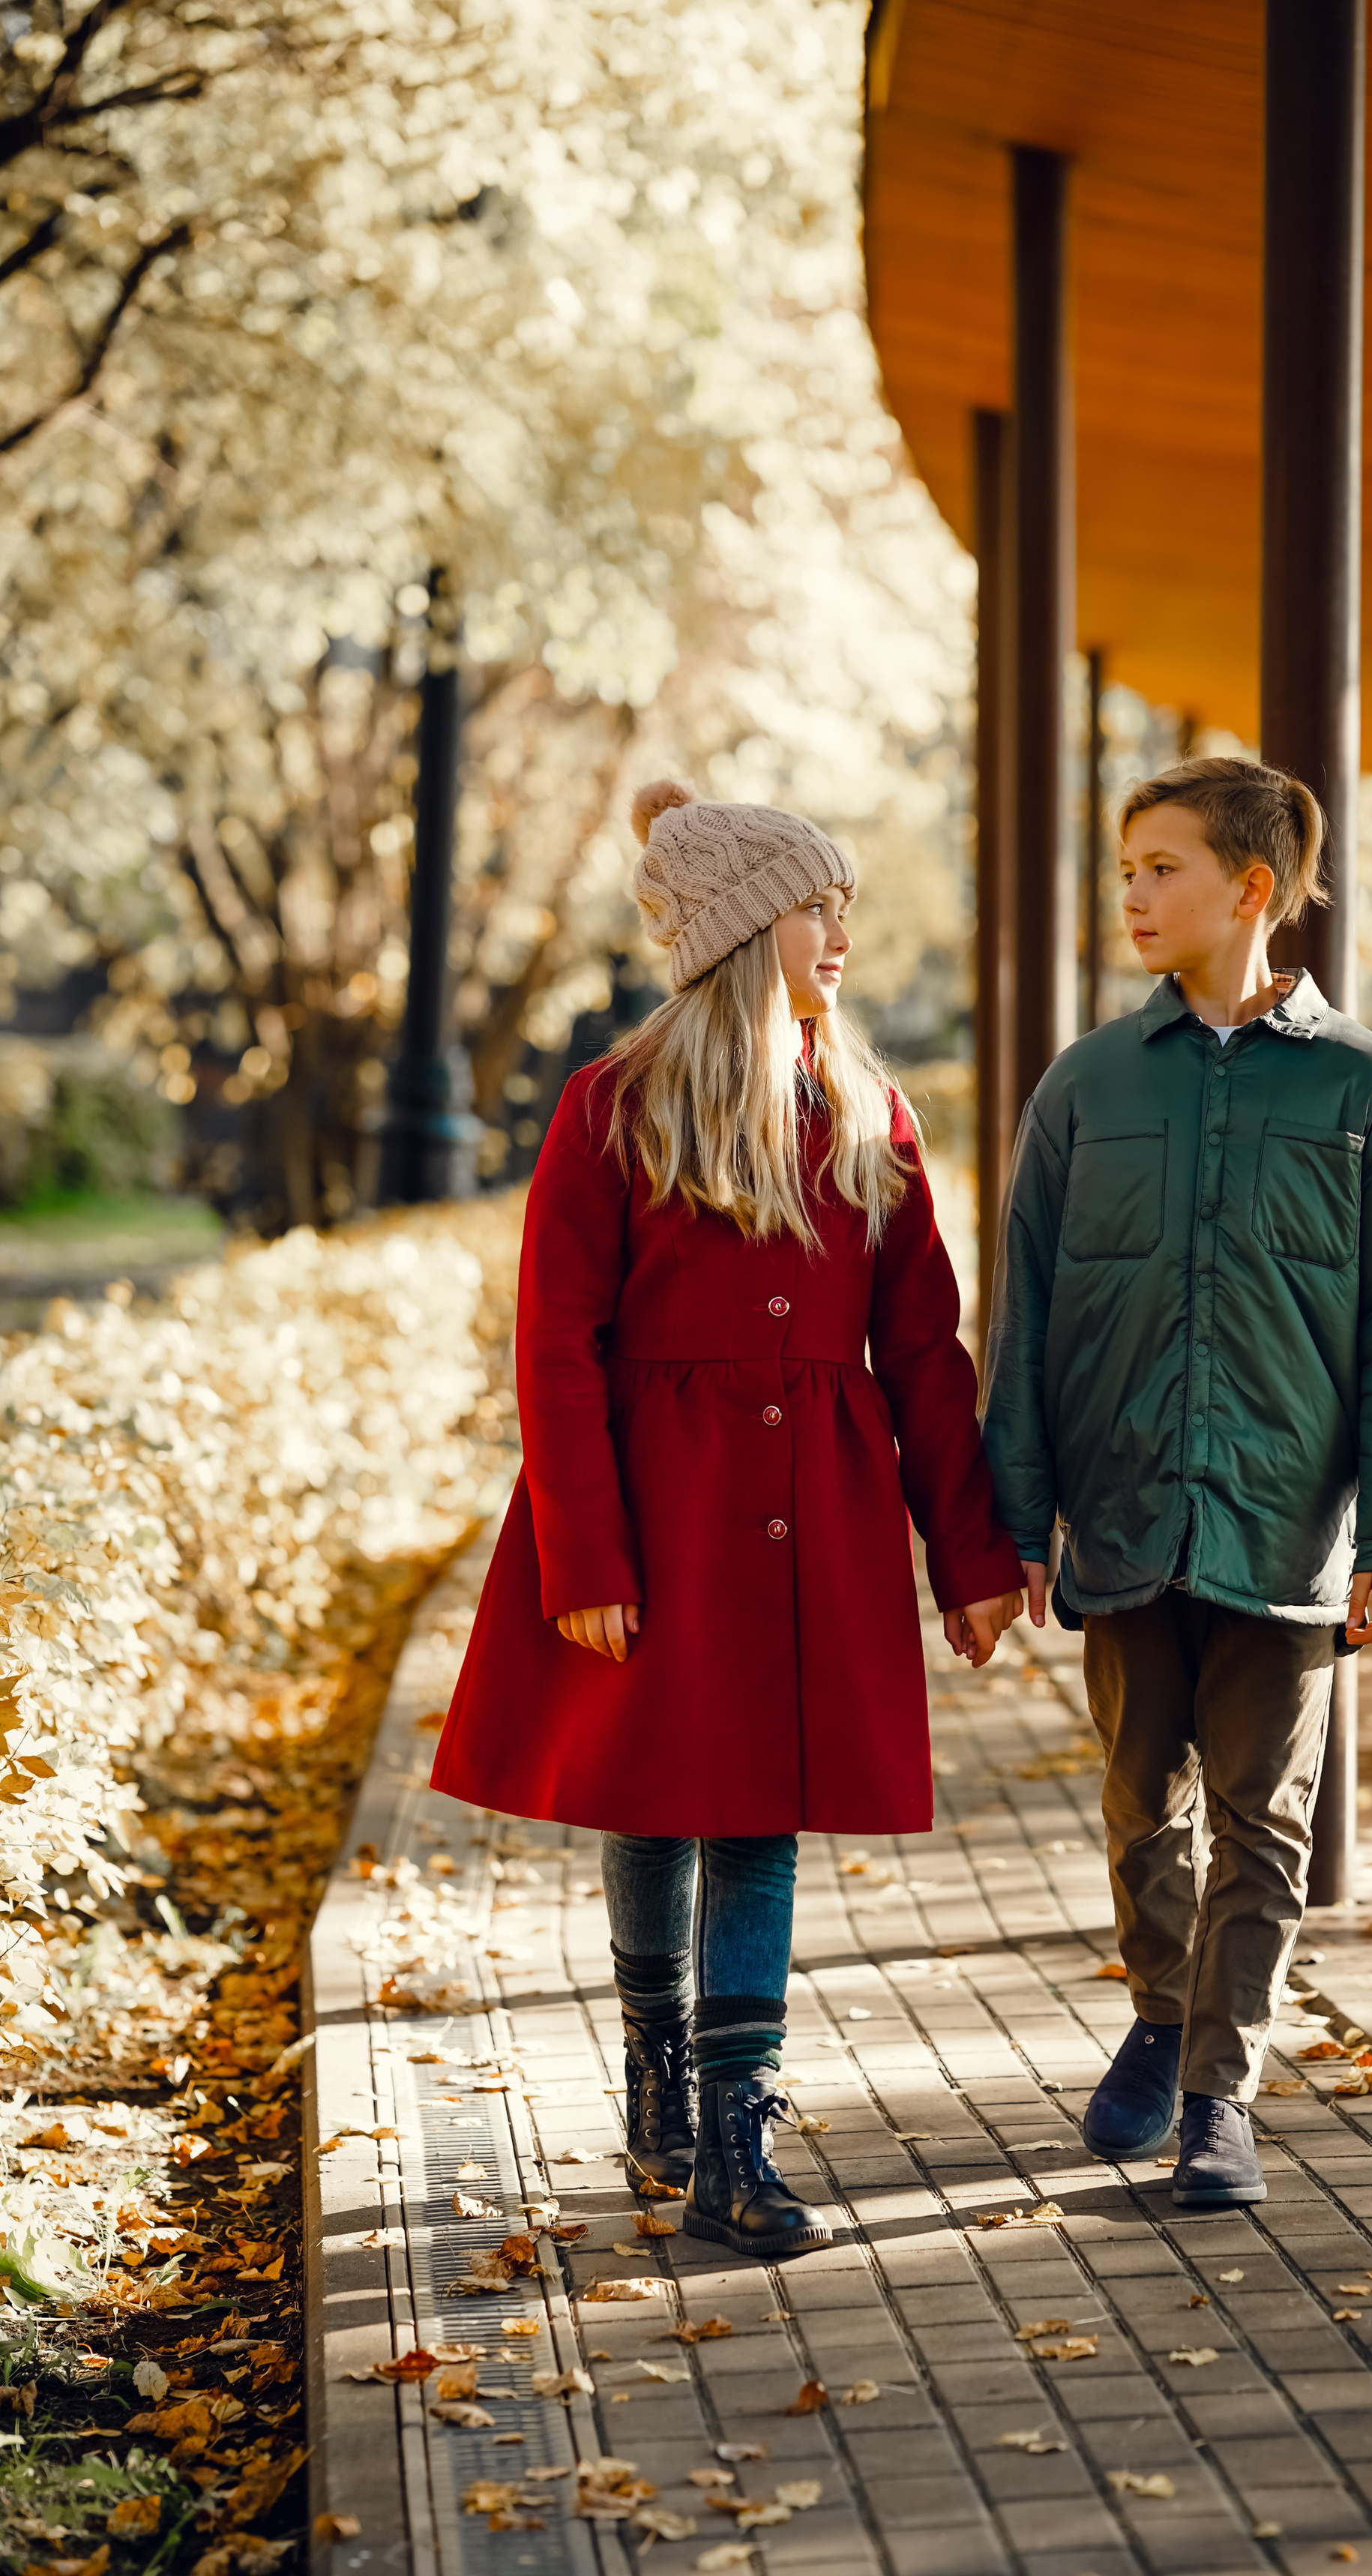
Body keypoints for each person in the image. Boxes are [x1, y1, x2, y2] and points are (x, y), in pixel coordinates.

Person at [433, 780, 1023, 2257]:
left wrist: (970, 1558)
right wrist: (586, 1556)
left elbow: (925, 1355)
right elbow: (554, 1344)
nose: (841, 933)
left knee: (756, 1817)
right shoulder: (609, 1108)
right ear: (750, 926)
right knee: (652, 1795)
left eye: (842, 906)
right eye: (817, 905)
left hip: (811, 1523)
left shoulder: (869, 1117)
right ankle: (656, 2068)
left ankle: (732, 2134)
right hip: (655, 1508)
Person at [981, 753, 1372, 2208]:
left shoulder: (1368, 1095)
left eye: (1159, 867)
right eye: (1123, 867)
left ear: (1250, 889)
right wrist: (1012, 1519)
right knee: (1141, 1801)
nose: (1130, 893)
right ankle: (1157, 2004)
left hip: (1284, 1525)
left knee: (1264, 1815)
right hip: (1122, 1512)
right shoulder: (1084, 1087)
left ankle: (1217, 2096)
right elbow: (1026, 1311)